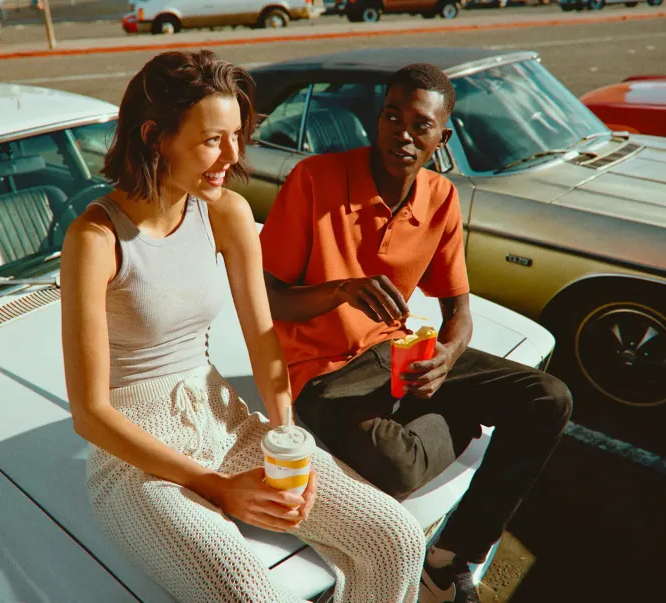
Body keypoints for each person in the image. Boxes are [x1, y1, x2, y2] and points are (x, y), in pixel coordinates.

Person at [60, 49, 426, 603]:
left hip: (225, 424)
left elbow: (262, 337)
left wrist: (289, 445)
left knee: (395, 539)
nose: (232, 156)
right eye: (213, 140)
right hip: (137, 460)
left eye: (236, 135)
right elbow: (90, 414)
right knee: (248, 591)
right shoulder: (95, 239)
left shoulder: (224, 211)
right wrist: (217, 488)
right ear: (155, 136)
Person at [259, 63, 573, 603]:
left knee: (549, 398)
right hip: (322, 369)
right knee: (396, 467)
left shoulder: (441, 197)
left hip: (399, 351)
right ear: (377, 120)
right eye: (391, 117)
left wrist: (448, 356)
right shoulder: (314, 179)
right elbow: (267, 299)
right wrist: (340, 290)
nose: (401, 134)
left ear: (441, 139)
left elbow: (459, 309)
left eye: (420, 125)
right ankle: (463, 416)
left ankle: (450, 557)